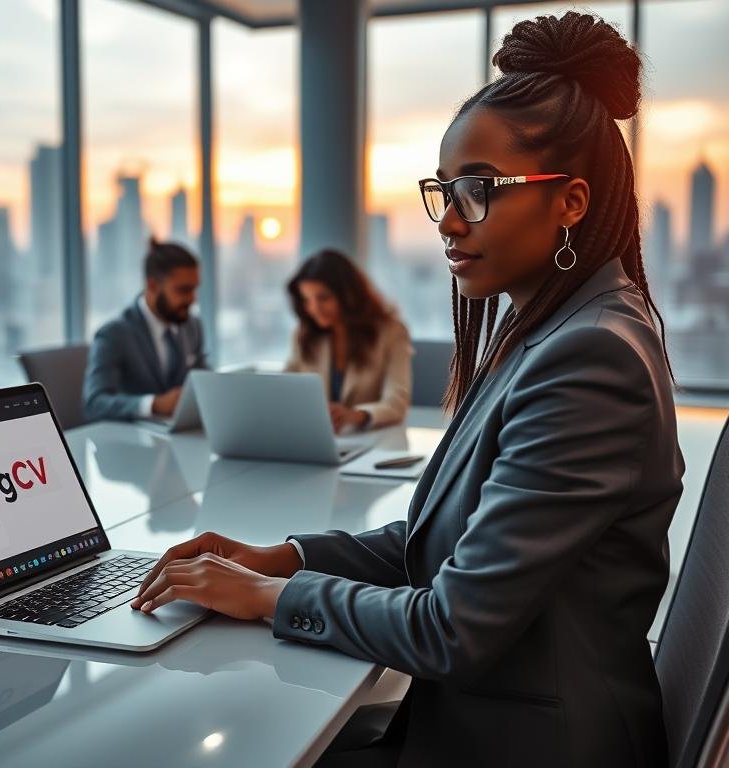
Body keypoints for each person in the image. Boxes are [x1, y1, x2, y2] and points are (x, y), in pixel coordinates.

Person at [129, 12, 685, 767]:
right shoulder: (551, 332)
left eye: (480, 190)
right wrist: (279, 559)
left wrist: (264, 600)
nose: (450, 221)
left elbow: (451, 627)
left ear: (572, 203)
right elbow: (442, 546)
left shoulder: (589, 358)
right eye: (445, 191)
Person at [286, 249, 412, 432]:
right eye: (307, 300)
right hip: (316, 437)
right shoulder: (304, 334)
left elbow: (397, 402)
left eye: (323, 298)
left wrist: (355, 416)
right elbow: (286, 383)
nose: (314, 309)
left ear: (348, 295)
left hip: (370, 439)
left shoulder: (392, 332)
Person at [83, 238, 208, 423]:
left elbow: (202, 377)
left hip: (178, 435)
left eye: (194, 289)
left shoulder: (192, 325)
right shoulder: (114, 334)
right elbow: (94, 404)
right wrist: (154, 404)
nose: (192, 300)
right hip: (131, 441)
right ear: (153, 285)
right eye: (183, 290)